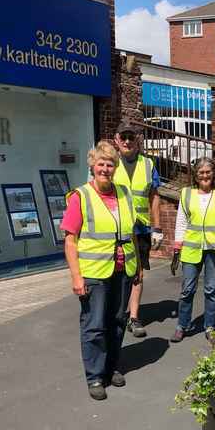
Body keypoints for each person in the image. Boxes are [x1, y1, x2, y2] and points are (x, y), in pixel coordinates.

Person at [61, 141, 142, 401]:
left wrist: (138, 267)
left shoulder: (124, 194)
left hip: (123, 269)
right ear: (92, 166)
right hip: (94, 272)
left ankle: (110, 368)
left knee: (117, 321)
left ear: (115, 167)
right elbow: (70, 240)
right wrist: (76, 276)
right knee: (94, 325)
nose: (105, 169)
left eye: (110, 164)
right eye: (101, 164)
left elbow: (131, 235)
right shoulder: (80, 196)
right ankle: (95, 375)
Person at [171, 157, 215, 343]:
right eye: (201, 172)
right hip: (192, 248)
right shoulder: (187, 194)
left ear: (213, 173)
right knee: (187, 289)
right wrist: (177, 247)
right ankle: (182, 325)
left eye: (208, 172)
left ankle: (210, 327)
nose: (205, 175)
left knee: (210, 290)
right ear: (196, 176)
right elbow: (181, 222)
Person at [113, 119, 163, 338]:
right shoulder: (109, 163)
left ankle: (133, 317)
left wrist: (158, 227)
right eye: (123, 137)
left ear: (138, 141)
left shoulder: (148, 164)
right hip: (116, 229)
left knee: (137, 273)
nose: (126, 141)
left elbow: (154, 196)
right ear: (116, 140)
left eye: (130, 137)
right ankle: (115, 314)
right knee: (115, 272)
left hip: (141, 229)